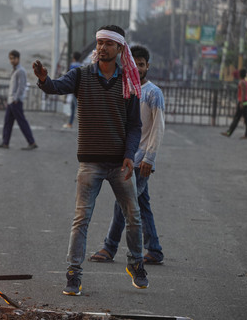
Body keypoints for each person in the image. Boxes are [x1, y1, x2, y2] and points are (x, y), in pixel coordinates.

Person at [33, 25, 147, 295]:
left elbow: (134, 125)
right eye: (100, 43)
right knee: (81, 218)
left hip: (120, 163)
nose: (103, 47)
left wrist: (130, 155)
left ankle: (136, 263)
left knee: (134, 215)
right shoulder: (81, 75)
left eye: (109, 43)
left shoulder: (127, 81)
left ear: (120, 48)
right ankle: (73, 274)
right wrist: (43, 79)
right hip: (90, 163)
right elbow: (55, 87)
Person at [89, 45, 166, 266]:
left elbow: (157, 129)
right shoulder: (127, 88)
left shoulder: (153, 93)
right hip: (129, 158)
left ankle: (109, 247)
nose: (139, 68)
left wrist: (149, 159)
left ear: (147, 66)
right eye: (135, 64)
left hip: (141, 161)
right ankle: (154, 249)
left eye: (142, 65)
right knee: (142, 203)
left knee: (123, 203)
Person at [0, 50, 37, 150]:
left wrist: (16, 98)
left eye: (13, 58)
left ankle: (32, 142)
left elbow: (22, 86)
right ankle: (5, 143)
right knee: (7, 122)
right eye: (10, 58)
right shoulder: (15, 70)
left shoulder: (20, 71)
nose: (11, 60)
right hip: (11, 101)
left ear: (18, 59)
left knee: (22, 122)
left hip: (15, 102)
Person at [221, 69, 247, 140]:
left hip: (242, 102)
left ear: (240, 75)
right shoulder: (246, 83)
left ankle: (229, 133)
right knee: (246, 119)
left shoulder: (241, 82)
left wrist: (241, 102)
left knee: (236, 118)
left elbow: (242, 92)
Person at [63, 51, 82, 129]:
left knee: (77, 107)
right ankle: (70, 123)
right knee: (73, 107)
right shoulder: (81, 66)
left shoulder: (72, 66)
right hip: (79, 88)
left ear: (74, 58)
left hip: (74, 89)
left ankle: (83, 125)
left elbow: (69, 77)